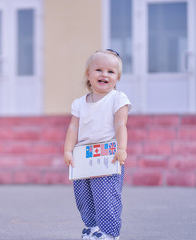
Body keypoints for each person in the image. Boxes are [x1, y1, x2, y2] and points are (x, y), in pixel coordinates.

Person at [63, 49, 132, 240]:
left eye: (110, 71)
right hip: (83, 156)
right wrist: (68, 150)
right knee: (84, 197)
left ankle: (109, 232)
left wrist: (122, 149)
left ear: (117, 77)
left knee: (106, 196)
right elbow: (72, 128)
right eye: (99, 69)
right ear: (88, 74)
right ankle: (93, 227)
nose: (104, 74)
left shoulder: (118, 99)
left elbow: (121, 124)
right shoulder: (79, 103)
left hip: (107, 155)